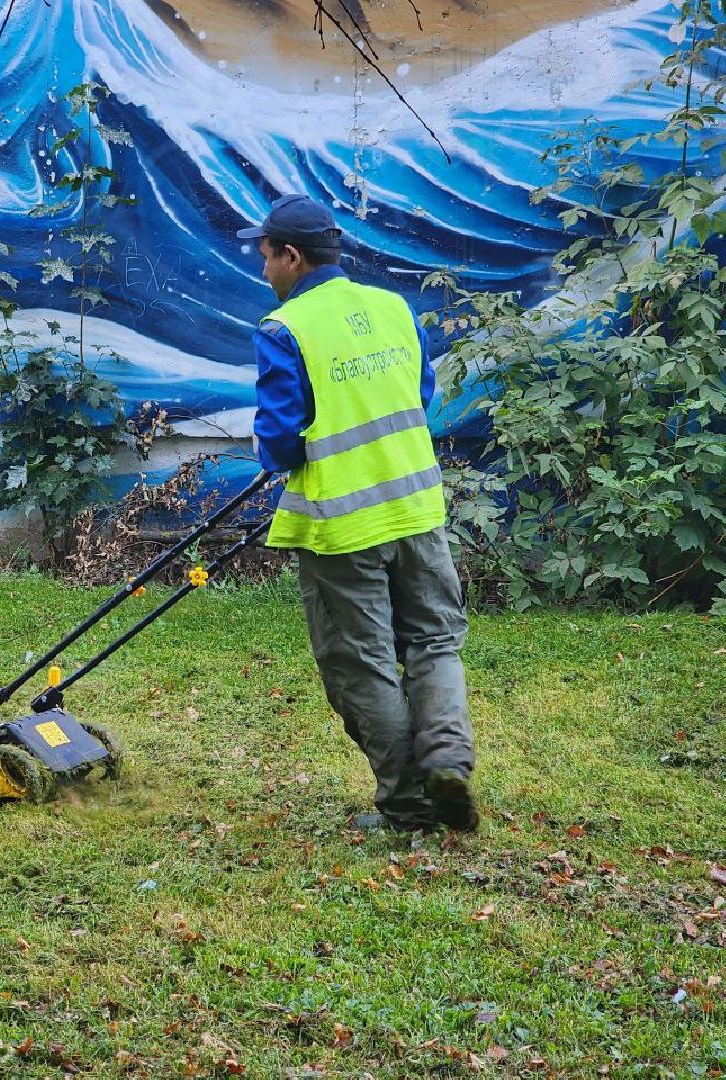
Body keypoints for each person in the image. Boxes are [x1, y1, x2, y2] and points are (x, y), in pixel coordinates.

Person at [239, 194, 479, 833]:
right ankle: (449, 757)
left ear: (292, 256)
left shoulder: (284, 329)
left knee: (361, 661)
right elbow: (419, 395)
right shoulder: (394, 308)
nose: (265, 273)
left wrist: (270, 449)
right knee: (434, 639)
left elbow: (283, 438)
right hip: (418, 509)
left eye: (266, 259)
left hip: (343, 525)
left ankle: (410, 803)